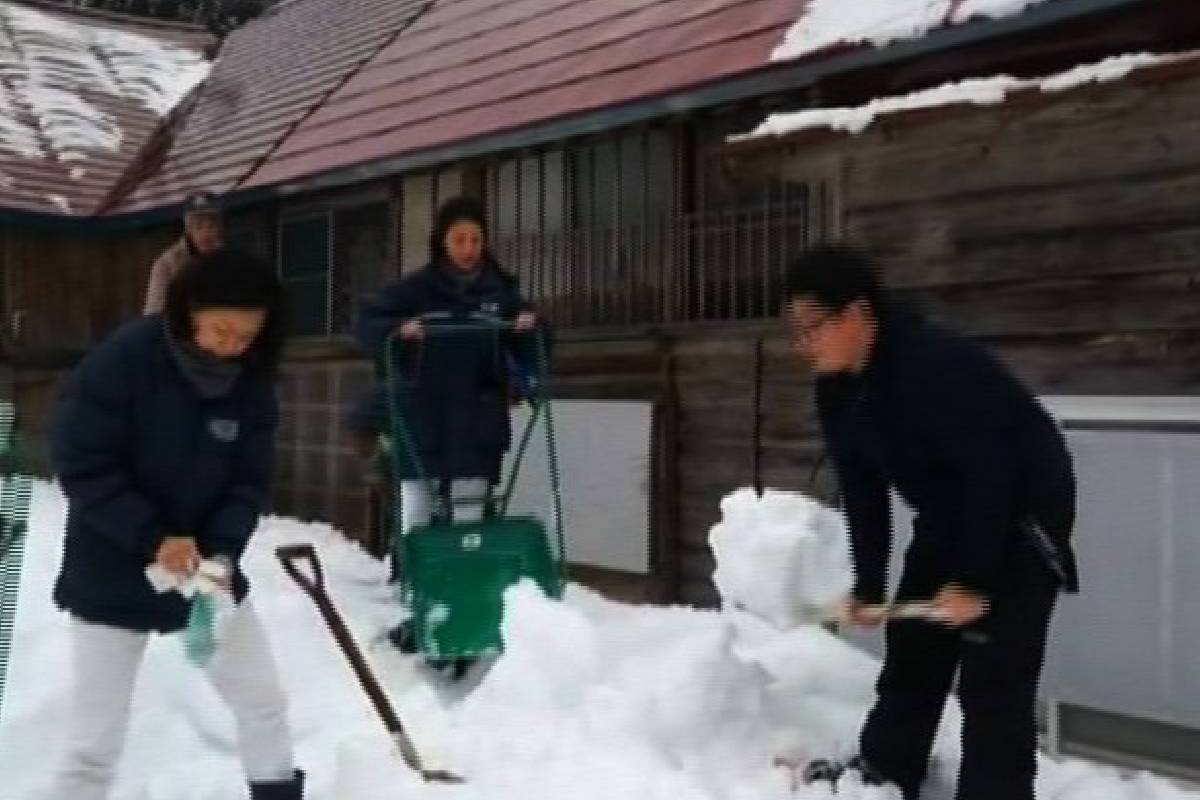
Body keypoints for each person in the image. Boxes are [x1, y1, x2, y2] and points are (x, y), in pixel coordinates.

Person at [784, 244, 1078, 800]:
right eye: (795, 330)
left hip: (1021, 514)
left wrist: (973, 583)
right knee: (914, 648)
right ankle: (884, 777)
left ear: (857, 314)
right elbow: (863, 490)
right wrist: (869, 585)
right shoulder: (838, 389)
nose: (802, 344)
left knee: (993, 683)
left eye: (811, 327)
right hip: (950, 512)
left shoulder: (934, 364)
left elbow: (993, 474)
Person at [48, 249, 304, 799]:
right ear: (188, 310)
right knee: (93, 743)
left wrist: (221, 549)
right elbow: (83, 464)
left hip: (205, 568)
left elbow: (247, 483)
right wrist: (151, 538)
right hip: (113, 564)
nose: (233, 346)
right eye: (221, 331)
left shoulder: (251, 382)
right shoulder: (124, 362)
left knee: (262, 701)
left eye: (247, 336)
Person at [353, 195, 544, 662]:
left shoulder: (501, 291)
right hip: (424, 412)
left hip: (477, 414)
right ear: (442, 241)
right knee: (416, 501)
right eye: (459, 238)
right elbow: (367, 323)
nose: (469, 247)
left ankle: (467, 598)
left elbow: (534, 340)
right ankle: (416, 596)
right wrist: (400, 330)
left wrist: (525, 332)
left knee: (469, 504)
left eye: (476, 238)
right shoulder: (416, 289)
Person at [144, 191, 225, 314]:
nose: (206, 234)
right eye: (198, 226)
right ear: (188, 230)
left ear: (219, 229)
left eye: (211, 226)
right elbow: (155, 314)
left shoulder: (227, 259)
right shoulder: (166, 265)